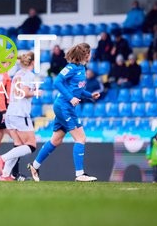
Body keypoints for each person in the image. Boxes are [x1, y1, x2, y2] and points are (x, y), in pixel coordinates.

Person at [27, 43, 101, 182]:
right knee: (80, 138)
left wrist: (90, 95)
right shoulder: (71, 68)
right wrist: (70, 98)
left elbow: (77, 90)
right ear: (86, 54)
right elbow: (57, 82)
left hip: (65, 107)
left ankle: (34, 166)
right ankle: (80, 174)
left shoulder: (81, 68)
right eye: (90, 53)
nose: (91, 55)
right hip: (64, 107)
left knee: (56, 140)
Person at [0, 51, 39, 181]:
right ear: (33, 62)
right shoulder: (29, 75)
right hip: (20, 113)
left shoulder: (17, 74)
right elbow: (24, 93)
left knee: (19, 144)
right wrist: (36, 92)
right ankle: (2, 158)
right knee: (31, 145)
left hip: (10, 113)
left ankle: (5, 175)